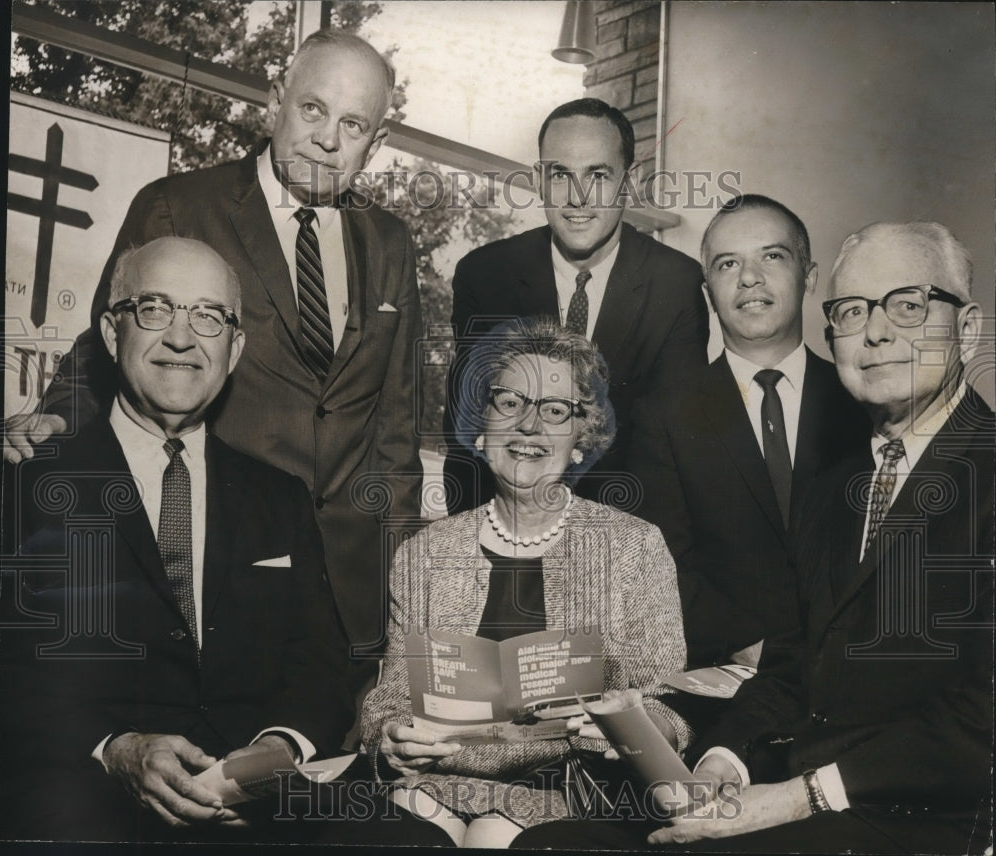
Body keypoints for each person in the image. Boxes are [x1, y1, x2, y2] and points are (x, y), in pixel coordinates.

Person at [513, 221, 993, 853]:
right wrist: (723, 763)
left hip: (922, 821)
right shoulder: (837, 484)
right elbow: (794, 663)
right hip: (801, 795)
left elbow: (980, 718)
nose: (876, 332)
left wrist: (796, 797)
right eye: (851, 312)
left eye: (907, 304)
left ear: (966, 328)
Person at [3, 30, 423, 668]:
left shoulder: (390, 242)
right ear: (276, 98)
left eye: (354, 123)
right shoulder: (178, 207)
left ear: (377, 142)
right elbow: (107, 343)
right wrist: (60, 418)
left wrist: (402, 583)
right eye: (312, 109)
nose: (328, 139)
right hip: (213, 565)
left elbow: (395, 428)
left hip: (350, 594)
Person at [0, 238, 361, 842]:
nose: (182, 338)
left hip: (259, 821)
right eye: (156, 309)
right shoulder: (29, 482)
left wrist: (277, 748)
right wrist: (115, 749)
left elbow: (320, 663)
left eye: (208, 316)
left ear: (234, 347)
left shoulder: (279, 497)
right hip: (84, 809)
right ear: (113, 333)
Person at [362, 317, 691, 847]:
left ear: (581, 438)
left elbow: (666, 704)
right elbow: (390, 702)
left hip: (572, 787)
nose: (529, 428)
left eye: (556, 411)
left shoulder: (634, 546)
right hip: (439, 782)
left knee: (498, 839)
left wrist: (621, 724)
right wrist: (394, 740)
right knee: (403, 833)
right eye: (510, 402)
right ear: (481, 426)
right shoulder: (422, 553)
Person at [629, 195, 869, 669]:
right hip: (727, 679)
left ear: (811, 275)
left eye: (772, 256)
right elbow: (664, 567)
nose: (749, 278)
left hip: (859, 677)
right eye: (727, 264)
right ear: (708, 292)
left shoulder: (864, 402)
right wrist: (754, 652)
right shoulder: (661, 416)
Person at [442, 98, 708, 515]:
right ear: (538, 180)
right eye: (560, 174)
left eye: (598, 175)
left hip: (627, 539)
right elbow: (467, 440)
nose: (578, 197)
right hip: (506, 535)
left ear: (629, 180)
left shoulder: (676, 283)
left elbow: (679, 453)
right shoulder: (485, 275)